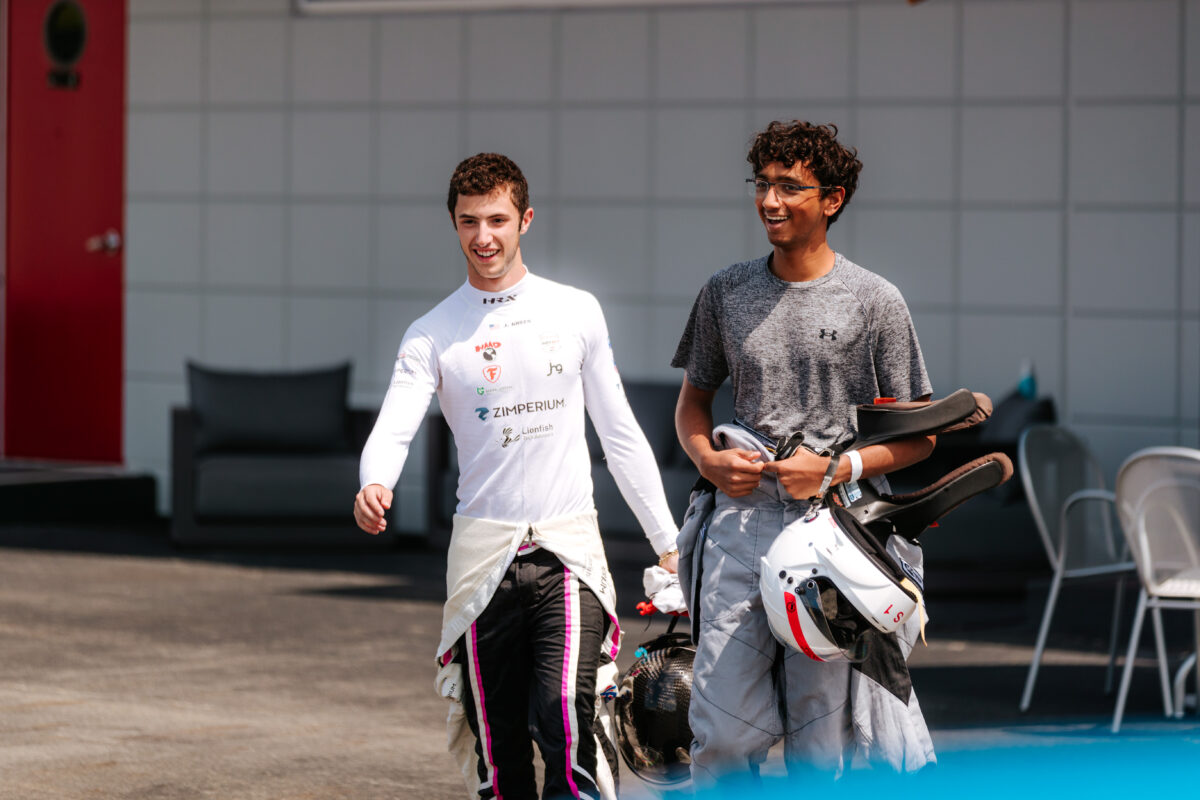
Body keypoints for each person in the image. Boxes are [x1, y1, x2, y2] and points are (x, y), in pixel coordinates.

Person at [354, 152, 679, 800]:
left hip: (569, 554)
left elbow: (619, 435)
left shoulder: (576, 311)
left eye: (498, 219)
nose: (484, 237)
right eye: (469, 221)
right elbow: (393, 426)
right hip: (483, 563)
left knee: (568, 721)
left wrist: (667, 543)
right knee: (498, 750)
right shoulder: (432, 334)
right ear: (453, 224)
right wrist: (374, 481)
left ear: (525, 219)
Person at [671, 120, 937, 782]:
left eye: (790, 186)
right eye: (762, 184)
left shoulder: (877, 301)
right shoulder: (725, 292)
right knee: (721, 731)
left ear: (833, 198)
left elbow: (920, 437)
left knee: (824, 744)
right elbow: (692, 404)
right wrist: (707, 460)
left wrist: (837, 468)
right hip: (740, 526)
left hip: (835, 535)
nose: (770, 200)